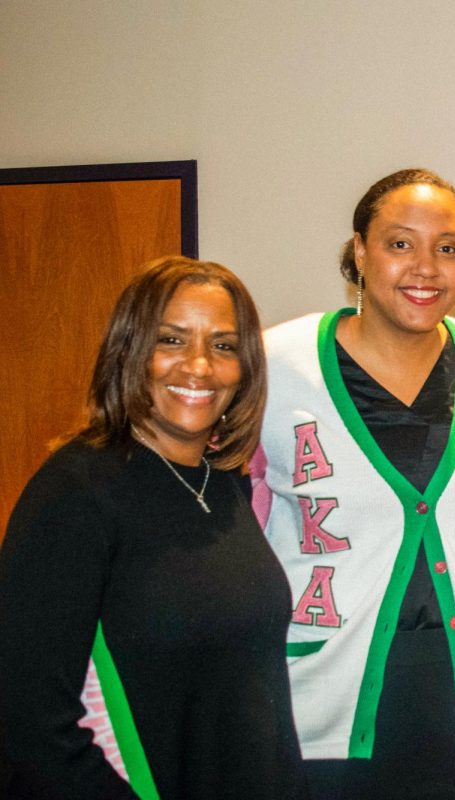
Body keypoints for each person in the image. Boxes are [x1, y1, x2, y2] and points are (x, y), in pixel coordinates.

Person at [254, 168, 455, 798]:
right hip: (318, 710)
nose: (426, 267)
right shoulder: (275, 364)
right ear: (359, 251)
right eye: (400, 243)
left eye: (448, 247)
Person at [0, 256, 305, 799]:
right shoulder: (77, 491)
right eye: (171, 340)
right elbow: (29, 723)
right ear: (130, 351)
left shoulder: (225, 486)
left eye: (223, 345)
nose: (199, 367)